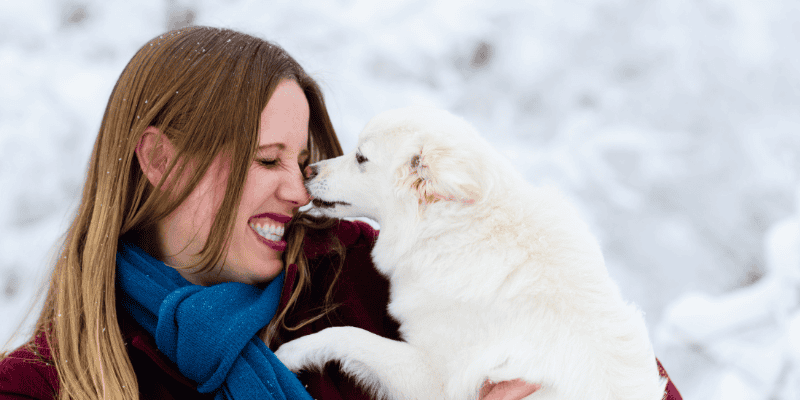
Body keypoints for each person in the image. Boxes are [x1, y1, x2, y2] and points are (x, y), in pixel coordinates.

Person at [0, 26, 681, 400]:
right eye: (266, 161)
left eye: (301, 161)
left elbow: (616, 363)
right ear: (159, 159)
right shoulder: (42, 386)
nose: (298, 191)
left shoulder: (365, 281)